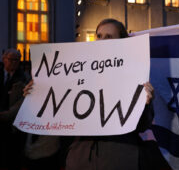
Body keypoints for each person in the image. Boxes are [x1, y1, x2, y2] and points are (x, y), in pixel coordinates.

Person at [23, 19, 168, 170]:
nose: (102, 40)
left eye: (109, 37)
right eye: (99, 35)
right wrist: (36, 96)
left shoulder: (134, 75)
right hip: (80, 158)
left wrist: (145, 104)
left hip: (119, 158)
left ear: (122, 42)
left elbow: (142, 126)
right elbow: (57, 112)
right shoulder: (76, 71)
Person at [0, 49, 28, 170]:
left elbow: (24, 100)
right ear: (4, 59)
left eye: (17, 60)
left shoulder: (24, 77)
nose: (14, 63)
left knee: (11, 158)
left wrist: (7, 114)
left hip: (13, 124)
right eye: (11, 60)